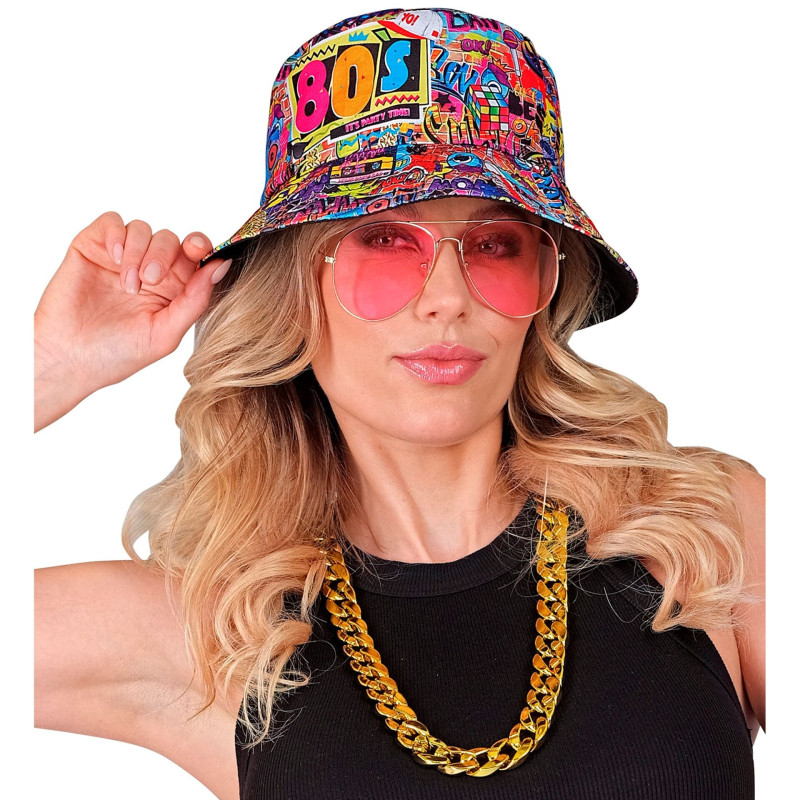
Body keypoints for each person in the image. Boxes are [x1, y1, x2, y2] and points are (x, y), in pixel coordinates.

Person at [32, 6, 766, 799]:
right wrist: (47, 369)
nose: (448, 297)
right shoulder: (220, 630)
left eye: (494, 244)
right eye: (384, 240)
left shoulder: (707, 530)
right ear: (294, 289)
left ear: (545, 284)